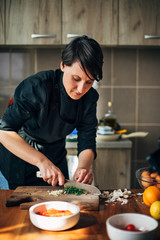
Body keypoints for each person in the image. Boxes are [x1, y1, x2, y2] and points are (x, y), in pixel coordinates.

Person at [0, 35, 103, 189]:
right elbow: (4, 132)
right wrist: (41, 161)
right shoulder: (37, 87)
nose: (81, 89)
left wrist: (83, 167)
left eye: (89, 82)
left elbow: (87, 138)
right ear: (63, 65)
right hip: (20, 159)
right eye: (76, 78)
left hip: (56, 158)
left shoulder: (89, 98)